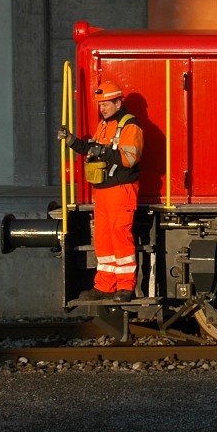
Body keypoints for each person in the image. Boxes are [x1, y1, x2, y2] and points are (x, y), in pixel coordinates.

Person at [57, 81, 144, 303]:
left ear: (118, 102)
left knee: (120, 235)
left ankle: (125, 287)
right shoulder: (104, 125)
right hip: (104, 191)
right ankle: (105, 286)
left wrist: (102, 151)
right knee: (103, 239)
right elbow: (91, 149)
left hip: (121, 189)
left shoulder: (130, 126)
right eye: (100, 105)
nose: (102, 109)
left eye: (105, 104)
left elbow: (129, 159)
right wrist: (71, 141)